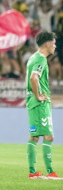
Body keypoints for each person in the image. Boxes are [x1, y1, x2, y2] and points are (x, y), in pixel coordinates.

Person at [26, 31, 61, 180]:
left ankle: (33, 172)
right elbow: (34, 78)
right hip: (40, 103)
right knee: (49, 136)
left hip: (32, 103)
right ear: (47, 44)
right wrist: (39, 96)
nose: (55, 46)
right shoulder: (40, 59)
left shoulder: (33, 57)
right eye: (53, 43)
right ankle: (50, 172)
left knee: (34, 136)